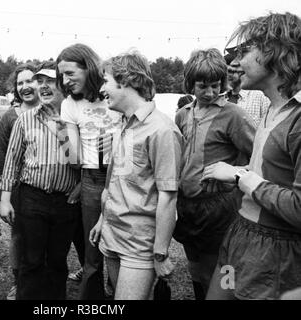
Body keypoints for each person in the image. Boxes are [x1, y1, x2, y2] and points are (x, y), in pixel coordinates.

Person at [202, 12, 301, 300]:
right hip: (240, 237)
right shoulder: (274, 107)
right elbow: (273, 175)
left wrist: (240, 176)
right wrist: (238, 174)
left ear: (274, 51)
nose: (234, 63)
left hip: (273, 255)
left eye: (244, 51)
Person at [89, 51, 182, 300]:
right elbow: (117, 182)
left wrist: (160, 253)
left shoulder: (162, 130)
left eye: (106, 80)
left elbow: (168, 198)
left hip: (138, 246)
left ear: (126, 81)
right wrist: (102, 221)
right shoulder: (123, 124)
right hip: (111, 236)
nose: (101, 89)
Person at [174, 48, 255, 300]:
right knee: (195, 269)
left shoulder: (234, 114)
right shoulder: (182, 114)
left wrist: (235, 174)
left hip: (219, 208)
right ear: (190, 85)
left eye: (215, 85)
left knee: (222, 271)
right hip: (187, 206)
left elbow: (261, 157)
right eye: (202, 86)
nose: (210, 92)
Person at [0, 61, 81, 300]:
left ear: (63, 86)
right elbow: (11, 161)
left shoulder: (74, 119)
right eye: (40, 82)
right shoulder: (25, 120)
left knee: (57, 262)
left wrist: (62, 131)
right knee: (32, 261)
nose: (43, 87)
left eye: (50, 82)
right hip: (32, 198)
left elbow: (82, 160)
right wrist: (5, 200)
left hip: (65, 202)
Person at [57, 43, 121, 300]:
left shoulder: (114, 91)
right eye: (61, 75)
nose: (65, 80)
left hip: (123, 178)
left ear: (89, 67)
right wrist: (62, 136)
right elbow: (74, 158)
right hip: (92, 178)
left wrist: (116, 140)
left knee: (120, 248)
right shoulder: (69, 105)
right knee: (93, 252)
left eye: (70, 73)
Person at [0, 62, 39, 300]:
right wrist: (5, 196)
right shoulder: (9, 117)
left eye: (29, 80)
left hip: (44, 190)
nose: (25, 86)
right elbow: (3, 160)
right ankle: (17, 281)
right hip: (18, 190)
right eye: (20, 83)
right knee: (18, 237)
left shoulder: (53, 112)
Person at [225, 52, 270, 127]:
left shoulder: (259, 95)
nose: (228, 75)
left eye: (231, 71)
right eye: (225, 72)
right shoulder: (223, 97)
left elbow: (268, 124)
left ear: (241, 71)